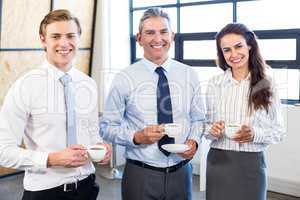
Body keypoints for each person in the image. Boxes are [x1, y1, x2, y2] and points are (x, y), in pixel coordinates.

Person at [0, 9, 111, 200]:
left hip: (87, 188)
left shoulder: (89, 84)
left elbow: (92, 133)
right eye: (56, 36)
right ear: (43, 40)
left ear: (79, 38)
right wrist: (51, 159)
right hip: (44, 193)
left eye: (70, 36)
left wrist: (100, 146)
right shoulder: (25, 86)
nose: (64, 43)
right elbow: (3, 151)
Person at [100, 7, 205, 200]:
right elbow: (107, 127)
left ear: (172, 36)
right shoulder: (124, 78)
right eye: (150, 33)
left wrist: (195, 141)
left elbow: (199, 119)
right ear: (139, 38)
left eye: (164, 32)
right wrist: (136, 136)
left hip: (182, 174)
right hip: (140, 175)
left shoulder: (190, 74)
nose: (158, 39)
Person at [204, 23, 285, 200]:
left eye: (238, 46)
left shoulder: (267, 82)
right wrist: (212, 130)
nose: (233, 55)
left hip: (251, 165)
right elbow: (205, 127)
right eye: (226, 50)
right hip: (218, 163)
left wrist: (254, 134)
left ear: (250, 45)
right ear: (221, 54)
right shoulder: (214, 83)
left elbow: (279, 131)